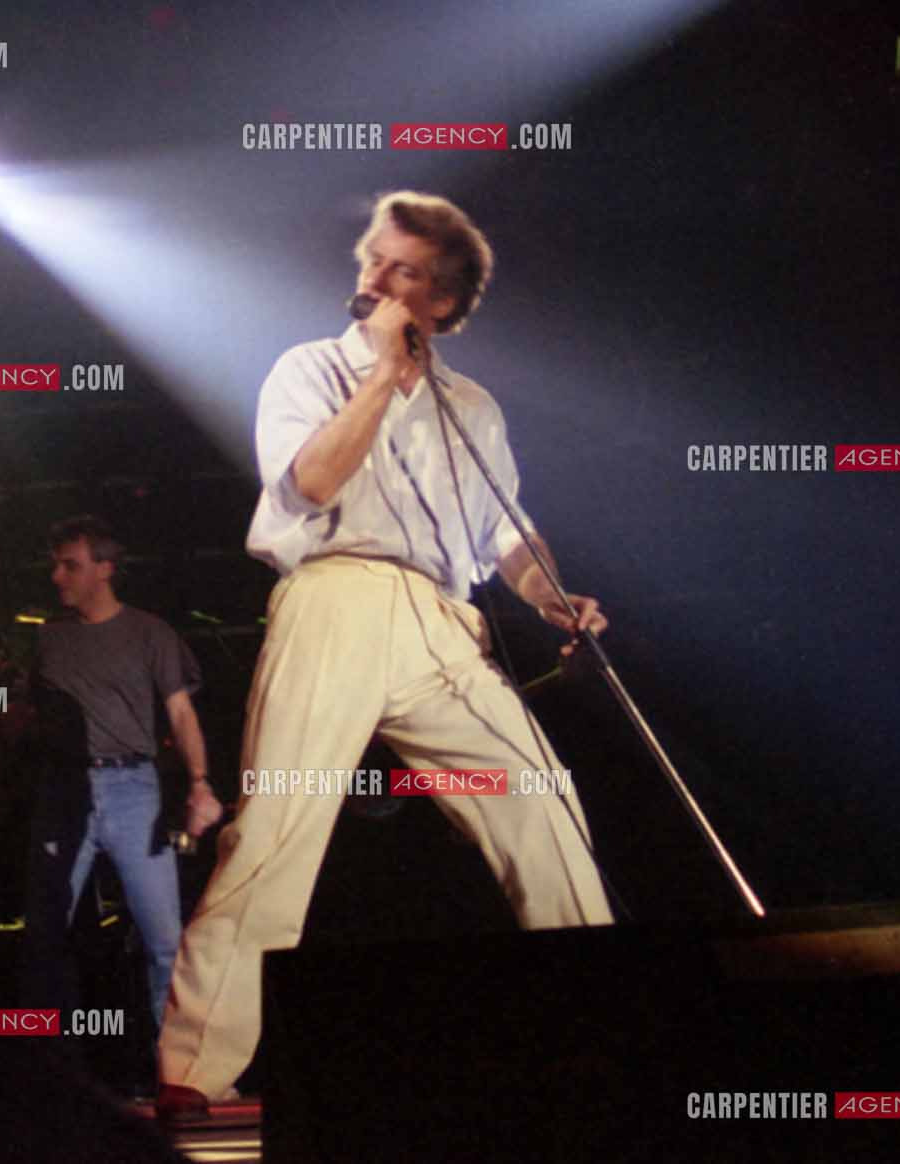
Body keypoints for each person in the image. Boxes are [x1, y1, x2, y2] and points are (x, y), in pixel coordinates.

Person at [156, 191, 614, 1120]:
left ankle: (599, 1033)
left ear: (442, 301)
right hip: (339, 598)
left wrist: (549, 596)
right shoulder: (308, 369)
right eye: (371, 261)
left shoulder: (474, 407)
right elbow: (314, 480)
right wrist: (380, 375)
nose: (373, 280)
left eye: (401, 270)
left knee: (541, 800)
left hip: (444, 621)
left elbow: (509, 534)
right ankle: (192, 1068)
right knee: (279, 828)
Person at [22, 516, 221, 1037]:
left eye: (71, 566)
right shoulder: (50, 638)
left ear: (104, 570)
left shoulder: (149, 632)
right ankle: (52, 1065)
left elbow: (181, 714)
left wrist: (200, 783)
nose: (58, 577)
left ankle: (178, 1066)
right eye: (56, 566)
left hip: (133, 790)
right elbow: (26, 715)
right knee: (45, 935)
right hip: (65, 789)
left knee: (163, 938)